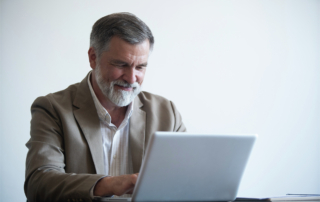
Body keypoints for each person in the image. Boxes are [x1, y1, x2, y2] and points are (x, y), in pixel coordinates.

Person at [24, 12, 186, 202]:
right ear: (93, 57)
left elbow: (186, 179)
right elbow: (39, 183)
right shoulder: (52, 109)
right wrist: (110, 184)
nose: (131, 78)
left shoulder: (167, 113)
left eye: (140, 67)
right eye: (121, 64)